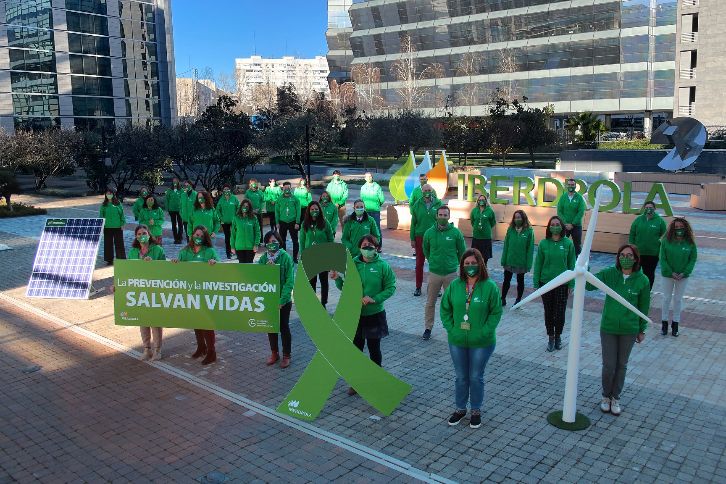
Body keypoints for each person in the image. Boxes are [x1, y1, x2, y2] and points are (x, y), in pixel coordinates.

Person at [441, 248, 502, 429]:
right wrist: (451, 329)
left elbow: (496, 312)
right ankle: (460, 409)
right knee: (461, 377)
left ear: (480, 264)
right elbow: (445, 309)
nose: (470, 266)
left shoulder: (489, 286)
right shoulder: (455, 285)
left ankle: (476, 409)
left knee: (475, 377)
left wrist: (485, 331)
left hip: (482, 343)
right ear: (462, 266)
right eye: (466, 264)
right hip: (457, 340)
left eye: (473, 263)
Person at [586, 244, 649, 416]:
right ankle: (605, 396)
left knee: (621, 365)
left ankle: (616, 398)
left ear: (636, 258)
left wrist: (642, 329)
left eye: (629, 255)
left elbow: (644, 307)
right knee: (609, 366)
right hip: (609, 327)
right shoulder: (610, 273)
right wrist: (585, 266)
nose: (625, 258)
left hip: (629, 329)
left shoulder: (642, 280)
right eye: (622, 255)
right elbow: (589, 285)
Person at [331, 235, 396, 396]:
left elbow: (391, 287)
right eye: (364, 245)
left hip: (375, 314)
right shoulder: (353, 263)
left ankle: (376, 380)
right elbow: (345, 288)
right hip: (355, 314)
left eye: (370, 246)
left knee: (374, 349)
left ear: (376, 248)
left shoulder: (383, 266)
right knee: (356, 350)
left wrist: (375, 299)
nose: (367, 248)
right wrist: (337, 279)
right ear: (359, 247)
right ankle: (356, 382)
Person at [172, 226, 220, 365]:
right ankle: (201, 347)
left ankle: (211, 351)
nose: (198, 237)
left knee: (206, 322)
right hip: (190, 292)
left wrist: (214, 263)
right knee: (195, 321)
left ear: (205, 238)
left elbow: (220, 267)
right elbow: (177, 270)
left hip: (205, 293)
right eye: (196, 234)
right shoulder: (185, 252)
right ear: (192, 235)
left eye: (201, 235)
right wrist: (175, 263)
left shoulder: (210, 251)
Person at [422, 205, 466, 341]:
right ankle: (428, 328)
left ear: (449, 216)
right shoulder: (429, 233)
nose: (442, 217)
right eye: (440, 215)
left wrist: (456, 266)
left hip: (451, 274)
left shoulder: (456, 233)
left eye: (445, 215)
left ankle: (454, 328)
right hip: (434, 273)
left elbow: (462, 252)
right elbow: (426, 250)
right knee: (430, 303)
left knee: (454, 303)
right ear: (436, 216)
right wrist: (433, 262)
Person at [533, 216, 576, 352]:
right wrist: (536, 282)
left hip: (562, 283)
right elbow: (538, 264)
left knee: (560, 312)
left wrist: (571, 284)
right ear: (549, 227)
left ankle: (558, 336)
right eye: (552, 224)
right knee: (549, 312)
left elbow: (572, 264)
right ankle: (550, 337)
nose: (555, 226)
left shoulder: (568, 244)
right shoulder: (544, 244)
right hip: (546, 282)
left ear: (562, 226)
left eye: (557, 224)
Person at [127, 225, 167, 361]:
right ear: (136, 237)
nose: (142, 235)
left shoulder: (158, 250)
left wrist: (153, 264)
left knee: (155, 320)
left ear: (149, 235)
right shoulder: (133, 252)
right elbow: (127, 271)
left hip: (154, 289)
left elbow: (164, 270)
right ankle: (146, 349)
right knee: (143, 320)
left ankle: (158, 350)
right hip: (139, 290)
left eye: (144, 233)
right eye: (139, 234)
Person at [258, 231, 295, 368]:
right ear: (266, 244)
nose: (272, 244)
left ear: (279, 242)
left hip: (283, 300)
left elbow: (289, 281)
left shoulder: (285, 257)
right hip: (269, 300)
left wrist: (282, 300)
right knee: (271, 326)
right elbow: (257, 278)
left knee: (284, 327)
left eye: (275, 241)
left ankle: (286, 355)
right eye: (269, 242)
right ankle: (274, 353)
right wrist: (266, 271)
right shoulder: (263, 259)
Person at [660, 217, 697, 337]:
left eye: (681, 227)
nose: (679, 229)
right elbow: (662, 258)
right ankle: (664, 323)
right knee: (666, 299)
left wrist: (685, 272)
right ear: (672, 229)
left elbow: (692, 259)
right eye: (676, 227)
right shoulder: (666, 241)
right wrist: (670, 272)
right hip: (668, 275)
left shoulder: (690, 243)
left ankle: (675, 324)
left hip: (682, 276)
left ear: (685, 228)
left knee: (678, 299)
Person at [410, 184, 442, 296]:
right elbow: (413, 223)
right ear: (422, 191)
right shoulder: (417, 205)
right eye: (425, 190)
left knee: (435, 263)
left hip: (434, 237)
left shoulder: (438, 204)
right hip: (420, 237)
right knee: (419, 263)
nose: (427, 192)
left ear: (432, 191)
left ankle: (436, 288)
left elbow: (442, 221)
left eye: (429, 190)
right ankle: (418, 287)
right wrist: (412, 239)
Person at [300, 202, 334, 308]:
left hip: (323, 257)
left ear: (319, 210)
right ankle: (312, 303)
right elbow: (302, 241)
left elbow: (330, 240)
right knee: (311, 282)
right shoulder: (304, 224)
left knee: (324, 282)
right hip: (310, 257)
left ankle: (323, 303)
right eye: (312, 209)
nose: (314, 211)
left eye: (316, 209)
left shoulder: (325, 223)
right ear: (309, 211)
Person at [628, 200, 667, 289]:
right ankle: (636, 289)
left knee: (649, 273)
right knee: (636, 272)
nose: (648, 209)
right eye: (646, 208)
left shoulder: (660, 221)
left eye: (651, 208)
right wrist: (631, 248)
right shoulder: (638, 220)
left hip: (653, 254)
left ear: (655, 209)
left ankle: (647, 291)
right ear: (644, 209)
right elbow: (632, 234)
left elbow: (665, 236)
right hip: (638, 253)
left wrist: (660, 248)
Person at [500, 210, 534, 306]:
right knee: (506, 280)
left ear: (523, 218)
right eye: (515, 217)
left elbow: (530, 249)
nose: (517, 219)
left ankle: (518, 299)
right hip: (509, 260)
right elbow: (506, 245)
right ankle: (503, 298)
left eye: (519, 217)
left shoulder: (529, 231)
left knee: (520, 281)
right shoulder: (510, 229)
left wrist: (528, 264)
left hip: (521, 261)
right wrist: (504, 259)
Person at [556, 178, 585, 256]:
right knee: (562, 244)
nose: (571, 186)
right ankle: (562, 260)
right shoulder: (563, 197)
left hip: (576, 226)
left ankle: (577, 264)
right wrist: (565, 223)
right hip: (564, 226)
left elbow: (581, 212)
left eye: (572, 185)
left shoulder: (579, 198)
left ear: (575, 186)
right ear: (566, 186)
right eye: (569, 185)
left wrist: (572, 224)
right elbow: (559, 211)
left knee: (577, 246)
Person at [275, 181, 301, 263]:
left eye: (288, 188)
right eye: (285, 188)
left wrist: (297, 222)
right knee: (282, 241)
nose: (287, 189)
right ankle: (284, 257)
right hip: (282, 222)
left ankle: (295, 258)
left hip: (292, 222)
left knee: (295, 241)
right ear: (283, 188)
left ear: (291, 188)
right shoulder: (279, 199)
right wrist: (277, 222)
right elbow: (277, 211)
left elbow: (298, 211)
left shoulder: (295, 199)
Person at [99, 188, 126, 265]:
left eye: (110, 194)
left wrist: (122, 224)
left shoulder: (118, 204)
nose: (109, 195)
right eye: (107, 194)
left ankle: (121, 259)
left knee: (119, 244)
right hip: (107, 228)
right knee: (108, 244)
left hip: (118, 227)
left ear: (113, 194)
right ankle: (109, 260)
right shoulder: (104, 205)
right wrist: (101, 226)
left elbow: (122, 215)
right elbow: (101, 216)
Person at [360, 172, 386, 249]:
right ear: (365, 178)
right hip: (366, 211)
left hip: (375, 211)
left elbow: (382, 199)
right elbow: (362, 199)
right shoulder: (363, 187)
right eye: (367, 177)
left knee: (376, 228)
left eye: (370, 176)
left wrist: (377, 205)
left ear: (372, 177)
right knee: (366, 228)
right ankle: (368, 245)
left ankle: (378, 246)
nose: (369, 178)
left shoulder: (377, 186)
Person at [469, 194, 496, 264]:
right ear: (477, 201)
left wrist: (486, 228)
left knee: (485, 257)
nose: (481, 201)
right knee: (475, 256)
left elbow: (493, 222)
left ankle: (484, 270)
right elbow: (472, 221)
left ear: (486, 201)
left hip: (486, 237)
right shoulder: (474, 210)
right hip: (476, 236)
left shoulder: (490, 211)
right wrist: (476, 227)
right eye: (480, 200)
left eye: (483, 200)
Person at [216, 184, 240, 259]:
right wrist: (221, 218)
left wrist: (236, 216)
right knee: (227, 238)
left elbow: (238, 207)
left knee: (235, 237)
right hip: (225, 222)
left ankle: (236, 252)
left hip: (233, 221)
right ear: (223, 190)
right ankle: (228, 253)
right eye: (225, 189)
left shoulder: (234, 198)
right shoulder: (221, 199)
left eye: (227, 189)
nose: (226, 190)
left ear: (230, 190)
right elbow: (217, 210)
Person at [165, 177, 184, 244]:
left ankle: (180, 238)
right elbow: (167, 200)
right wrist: (167, 209)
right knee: (173, 224)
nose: (175, 182)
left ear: (178, 182)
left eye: (176, 181)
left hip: (179, 210)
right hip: (171, 210)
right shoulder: (169, 190)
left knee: (180, 224)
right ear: (172, 182)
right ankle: (176, 238)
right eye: (173, 181)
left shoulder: (181, 190)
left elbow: (183, 200)